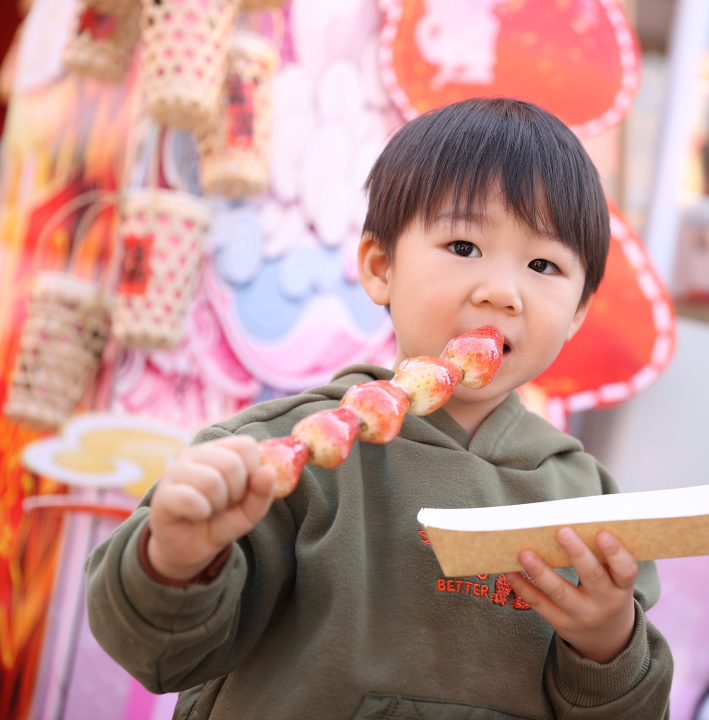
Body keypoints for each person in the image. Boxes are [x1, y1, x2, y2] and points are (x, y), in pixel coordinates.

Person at [85, 99, 673, 720]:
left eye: (543, 265)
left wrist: (608, 647)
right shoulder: (276, 459)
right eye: (464, 245)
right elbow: (160, 655)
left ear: (578, 311)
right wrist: (175, 561)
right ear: (380, 267)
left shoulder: (590, 505)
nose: (502, 292)